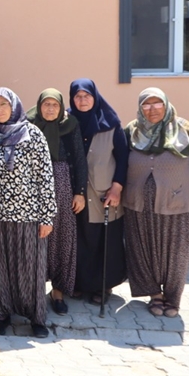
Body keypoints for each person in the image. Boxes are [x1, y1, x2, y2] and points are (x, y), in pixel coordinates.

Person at [122, 88, 189, 318]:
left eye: (157, 103)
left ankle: (173, 297)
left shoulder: (185, 129)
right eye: (146, 104)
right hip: (138, 203)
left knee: (176, 252)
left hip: (177, 202)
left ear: (166, 104)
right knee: (142, 248)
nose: (152, 109)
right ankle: (154, 294)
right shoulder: (132, 130)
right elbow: (120, 163)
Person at [0, 88, 57, 338]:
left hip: (28, 215)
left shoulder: (32, 134)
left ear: (14, 106)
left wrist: (47, 216)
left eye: (4, 104)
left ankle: (36, 318)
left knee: (29, 269)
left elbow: (45, 177)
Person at [27, 89, 88, 315]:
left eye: (55, 105)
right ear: (39, 106)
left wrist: (79, 192)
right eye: (46, 104)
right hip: (33, 188)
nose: (50, 109)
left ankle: (58, 290)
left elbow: (80, 159)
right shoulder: (29, 125)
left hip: (63, 188)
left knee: (61, 237)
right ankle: (33, 289)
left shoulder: (70, 125)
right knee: (35, 236)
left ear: (61, 107)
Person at [69, 78, 129, 304]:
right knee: (79, 240)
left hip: (104, 194)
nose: (82, 100)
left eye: (87, 96)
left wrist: (117, 188)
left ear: (95, 97)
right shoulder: (67, 122)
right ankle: (78, 283)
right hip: (75, 193)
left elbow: (123, 158)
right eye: (77, 96)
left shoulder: (111, 123)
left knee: (105, 241)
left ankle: (103, 286)